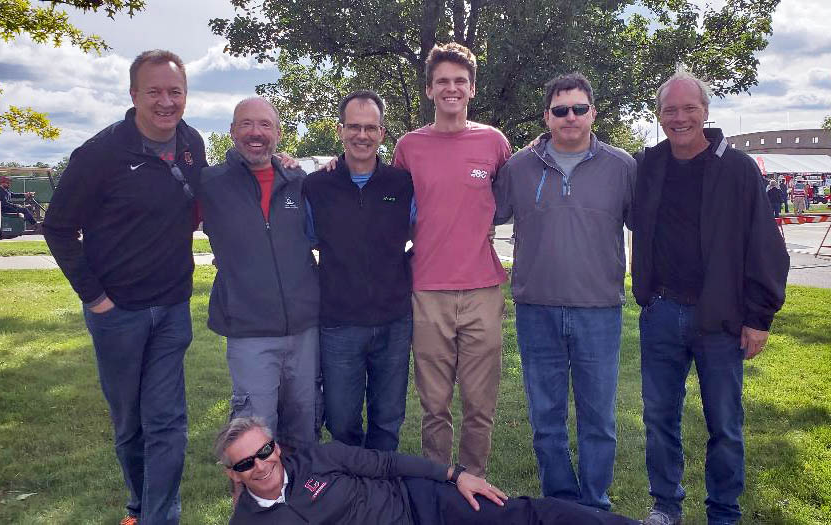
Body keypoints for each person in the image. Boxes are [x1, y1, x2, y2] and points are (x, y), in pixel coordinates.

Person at [43, 49, 206, 525]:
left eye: (174, 91)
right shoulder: (100, 154)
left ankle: (160, 518)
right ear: (133, 94)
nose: (165, 102)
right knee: (130, 427)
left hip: (173, 308)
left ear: (186, 96)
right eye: (154, 91)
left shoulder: (192, 143)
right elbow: (58, 229)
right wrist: (96, 299)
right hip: (117, 316)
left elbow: (212, 192)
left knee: (168, 423)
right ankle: (138, 506)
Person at [632, 69, 789, 525]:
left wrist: (758, 317)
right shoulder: (649, 167)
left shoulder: (737, 168)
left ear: (705, 111)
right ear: (659, 115)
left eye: (689, 109)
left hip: (721, 318)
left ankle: (723, 511)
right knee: (660, 419)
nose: (679, 118)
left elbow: (765, 246)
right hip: (661, 311)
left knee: (725, 424)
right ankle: (665, 506)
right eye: (670, 110)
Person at [493, 73, 636, 511]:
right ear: (547, 117)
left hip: (599, 311)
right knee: (546, 420)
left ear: (593, 112)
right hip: (537, 311)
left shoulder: (622, 166)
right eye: (560, 110)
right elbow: (477, 213)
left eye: (578, 108)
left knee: (599, 420)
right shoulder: (518, 167)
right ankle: (561, 505)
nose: (570, 116)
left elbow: (652, 228)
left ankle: (594, 505)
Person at [392, 42, 512, 478]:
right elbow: (389, 203)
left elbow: (513, 191)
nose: (451, 88)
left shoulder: (494, 143)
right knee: (434, 405)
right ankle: (437, 483)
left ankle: (475, 480)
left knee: (480, 405)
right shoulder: (409, 147)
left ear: (472, 89)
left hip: (482, 289)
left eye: (460, 81)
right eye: (442, 80)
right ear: (429, 90)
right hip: (427, 290)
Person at [187, 97, 320, 449]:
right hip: (249, 330)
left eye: (265, 125)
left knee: (305, 420)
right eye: (246, 124)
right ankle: (252, 500)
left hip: (305, 328)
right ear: (232, 131)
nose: (255, 133)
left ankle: (305, 499)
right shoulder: (210, 183)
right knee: (255, 428)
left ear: (278, 133)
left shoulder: (297, 180)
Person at [215, 417, 639, 525]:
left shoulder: (317, 459)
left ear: (277, 447)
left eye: (265, 450)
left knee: (520, 515)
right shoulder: (249, 521)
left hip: (423, 504)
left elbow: (386, 463)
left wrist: (456, 476)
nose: (262, 464)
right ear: (234, 474)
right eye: (246, 462)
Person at [303, 90, 414, 451]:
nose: (362, 135)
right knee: (341, 418)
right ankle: (351, 493)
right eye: (354, 127)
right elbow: (307, 241)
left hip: (394, 321)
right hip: (339, 323)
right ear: (340, 131)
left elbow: (423, 234)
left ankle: (383, 496)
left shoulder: (403, 184)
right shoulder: (317, 186)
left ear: (383, 133)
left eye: (370, 127)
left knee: (387, 418)